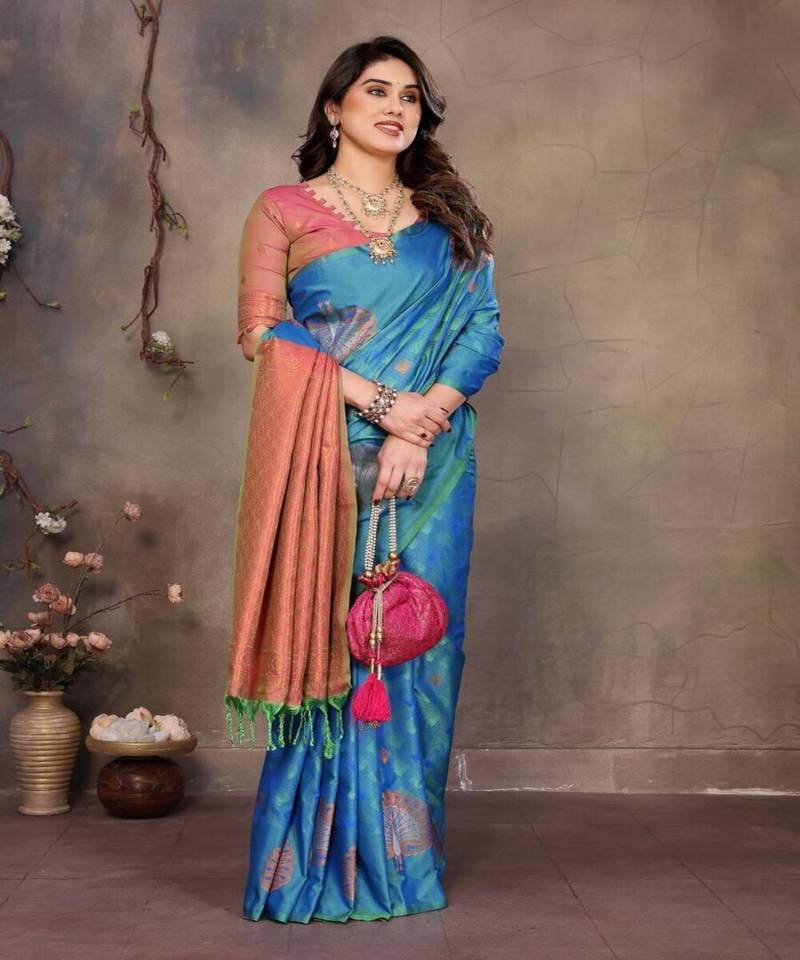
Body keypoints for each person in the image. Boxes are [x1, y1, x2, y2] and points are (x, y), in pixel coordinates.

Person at [226, 35, 505, 923]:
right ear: (334, 107)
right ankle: (308, 869)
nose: (396, 108)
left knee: (422, 648)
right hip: (326, 456)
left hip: (436, 458)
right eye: (377, 90)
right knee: (332, 640)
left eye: (410, 96)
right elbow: (262, 333)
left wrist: (425, 421)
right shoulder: (282, 209)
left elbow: (483, 331)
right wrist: (386, 407)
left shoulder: (449, 218)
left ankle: (404, 865)